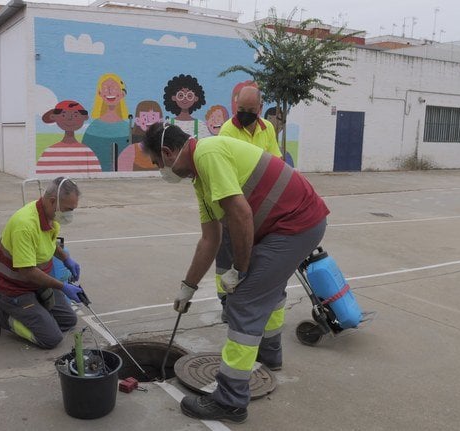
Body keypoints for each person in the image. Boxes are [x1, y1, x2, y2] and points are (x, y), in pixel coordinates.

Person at [141, 123, 329, 423]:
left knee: (245, 301)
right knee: (267, 288)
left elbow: (240, 214)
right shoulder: (199, 176)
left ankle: (230, 402)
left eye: (156, 163)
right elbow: (210, 238)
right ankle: (268, 355)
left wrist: (240, 270)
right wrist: (187, 286)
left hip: (296, 224)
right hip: (291, 224)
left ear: (167, 152)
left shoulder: (208, 153)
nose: (159, 170)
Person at [0, 177, 85, 349]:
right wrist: (62, 287)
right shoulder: (25, 225)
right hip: (14, 289)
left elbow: (49, 243)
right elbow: (27, 272)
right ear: (52, 201)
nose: (70, 214)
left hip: (38, 284)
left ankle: (32, 309)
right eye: (68, 209)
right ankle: (3, 315)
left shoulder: (50, 216)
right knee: (51, 338)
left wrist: (66, 258)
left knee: (68, 320)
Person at [215, 86, 282, 349]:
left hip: (262, 203)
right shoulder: (227, 131)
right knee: (227, 258)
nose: (244, 115)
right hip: (236, 201)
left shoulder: (267, 128)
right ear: (235, 106)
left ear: (260, 108)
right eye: (240, 111)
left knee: (256, 260)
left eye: (250, 111)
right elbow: (228, 171)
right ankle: (226, 302)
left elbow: (275, 161)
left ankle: (255, 313)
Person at [82, 73, 131, 172]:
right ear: (100, 93)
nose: (109, 91)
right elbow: (86, 155)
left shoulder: (127, 128)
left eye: (114, 88)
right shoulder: (93, 128)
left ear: (122, 94)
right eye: (105, 88)